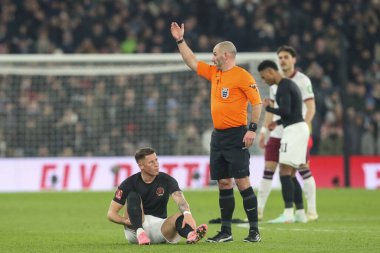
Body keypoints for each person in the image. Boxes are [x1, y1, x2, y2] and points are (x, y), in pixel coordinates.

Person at [170, 22, 262, 243]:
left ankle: (254, 231)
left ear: (227, 55)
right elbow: (191, 61)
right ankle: (226, 231)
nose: (212, 58)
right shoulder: (215, 73)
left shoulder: (243, 76)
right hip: (218, 137)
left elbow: (256, 104)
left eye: (215, 54)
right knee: (223, 183)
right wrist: (180, 41)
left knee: (243, 182)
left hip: (237, 134)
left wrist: (252, 130)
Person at [257, 46, 319, 223]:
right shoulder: (285, 85)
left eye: (263, 77)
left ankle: (288, 213)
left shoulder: (286, 85)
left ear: (270, 72)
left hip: (294, 131)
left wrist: (268, 107)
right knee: (290, 173)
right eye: (280, 57)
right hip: (291, 128)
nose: (263, 80)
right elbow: (290, 112)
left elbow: (284, 110)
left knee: (285, 171)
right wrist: (274, 123)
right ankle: (300, 212)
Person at [107, 147, 208, 245]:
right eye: (151, 162)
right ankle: (140, 232)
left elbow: (179, 198)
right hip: (135, 230)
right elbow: (111, 213)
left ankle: (191, 234)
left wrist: (187, 214)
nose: (156, 164)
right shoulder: (129, 183)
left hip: (159, 227)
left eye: (156, 160)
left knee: (179, 216)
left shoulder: (167, 180)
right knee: (133, 196)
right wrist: (125, 221)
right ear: (141, 166)